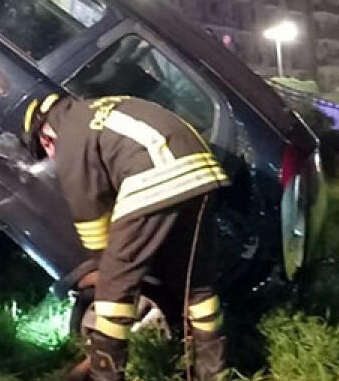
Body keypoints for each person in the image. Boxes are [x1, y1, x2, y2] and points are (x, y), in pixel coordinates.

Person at [23, 93, 231, 381]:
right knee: (196, 285)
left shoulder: (69, 136)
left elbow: (91, 216)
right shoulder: (103, 108)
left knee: (113, 292)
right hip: (202, 173)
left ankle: (103, 375)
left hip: (156, 178)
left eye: (45, 150)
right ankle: (213, 372)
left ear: (46, 138)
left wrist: (107, 266)